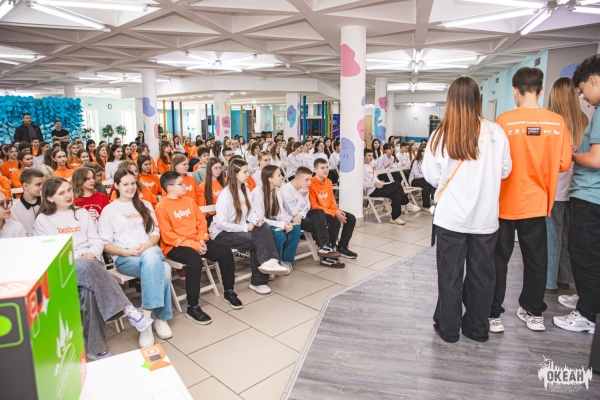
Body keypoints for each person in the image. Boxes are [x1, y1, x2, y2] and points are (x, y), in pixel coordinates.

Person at [422, 76, 512, 343]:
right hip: (485, 218)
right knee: (482, 276)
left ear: (451, 100)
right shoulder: (495, 131)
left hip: (451, 218)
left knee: (450, 275)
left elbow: (431, 176)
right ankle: (477, 329)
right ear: (477, 99)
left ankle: (449, 329)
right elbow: (505, 170)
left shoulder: (440, 135)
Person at [491, 67, 572, 333]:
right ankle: (533, 312)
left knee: (498, 260)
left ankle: (493, 314)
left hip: (504, 203)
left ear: (515, 90)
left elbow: (496, 162)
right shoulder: (557, 122)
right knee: (536, 261)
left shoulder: (504, 121)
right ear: (541, 89)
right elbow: (564, 163)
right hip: (537, 202)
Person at [34, 177, 152, 359]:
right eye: (61, 193)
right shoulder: (43, 220)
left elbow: (96, 242)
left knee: (88, 291)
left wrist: (91, 252)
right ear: (49, 198)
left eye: (69, 190)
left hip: (90, 263)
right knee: (85, 267)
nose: (68, 195)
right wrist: (77, 258)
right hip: (63, 267)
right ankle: (127, 310)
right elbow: (47, 252)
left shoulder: (81, 213)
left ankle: (96, 349)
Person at [99, 169, 172, 347]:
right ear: (116, 186)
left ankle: (145, 317)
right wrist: (127, 252)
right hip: (125, 258)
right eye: (125, 184)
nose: (130, 187)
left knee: (152, 258)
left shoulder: (145, 205)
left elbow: (155, 234)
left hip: (149, 251)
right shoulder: (109, 210)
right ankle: (159, 317)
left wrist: (146, 246)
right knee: (165, 269)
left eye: (133, 183)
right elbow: (105, 244)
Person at [553, 54, 600, 335]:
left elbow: (596, 159)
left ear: (593, 80)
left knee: (584, 256)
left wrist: (571, 155)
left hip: (590, 197)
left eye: (583, 91)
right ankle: (587, 300)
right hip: (589, 197)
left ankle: (586, 314)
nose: (584, 98)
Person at [156, 171, 243, 318]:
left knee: (225, 252)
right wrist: (194, 245)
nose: (184, 186)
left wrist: (201, 239)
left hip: (197, 241)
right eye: (180, 184)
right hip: (175, 246)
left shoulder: (189, 201)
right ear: (169, 187)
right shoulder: (161, 207)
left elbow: (201, 222)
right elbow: (168, 235)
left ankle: (229, 291)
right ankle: (193, 306)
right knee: (194, 260)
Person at [209, 159, 288, 295]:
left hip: (238, 228)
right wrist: (245, 228)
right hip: (221, 233)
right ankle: (259, 280)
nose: (248, 175)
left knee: (263, 226)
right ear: (235, 174)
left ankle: (270, 261)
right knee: (256, 241)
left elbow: (250, 212)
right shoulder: (225, 194)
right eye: (245, 172)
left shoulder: (244, 189)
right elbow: (221, 223)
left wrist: (256, 220)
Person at [544, 78, 588, 294]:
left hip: (554, 187)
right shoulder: (583, 120)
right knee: (567, 237)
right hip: (576, 187)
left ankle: (549, 281)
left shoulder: (551, 122)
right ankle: (563, 278)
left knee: (551, 236)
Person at [252, 165, 300, 273]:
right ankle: (274, 263)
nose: (282, 177)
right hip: (260, 225)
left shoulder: (277, 191)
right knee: (279, 234)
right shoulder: (258, 192)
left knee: (296, 228)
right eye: (279, 175)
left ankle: (286, 260)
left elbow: (279, 213)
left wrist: (286, 221)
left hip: (271, 221)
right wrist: (281, 225)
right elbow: (261, 219)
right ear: (270, 179)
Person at [309, 158, 357, 259]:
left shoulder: (329, 182)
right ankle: (329, 250)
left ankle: (342, 247)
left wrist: (337, 210)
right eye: (322, 168)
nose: (326, 170)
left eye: (327, 167)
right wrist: (334, 213)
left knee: (351, 218)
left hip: (329, 210)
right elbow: (314, 206)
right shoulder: (311, 183)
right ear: (315, 169)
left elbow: (331, 202)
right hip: (318, 213)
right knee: (335, 222)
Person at [364, 148, 411, 225]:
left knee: (396, 195)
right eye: (369, 155)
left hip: (378, 187)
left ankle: (394, 218)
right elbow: (362, 184)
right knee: (397, 185)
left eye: (372, 155)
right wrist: (374, 184)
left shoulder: (370, 166)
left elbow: (375, 178)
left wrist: (380, 183)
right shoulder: (361, 168)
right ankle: (406, 203)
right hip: (372, 191)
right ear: (363, 157)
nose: (371, 157)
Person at [9, 168, 44, 236]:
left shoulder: (48, 204)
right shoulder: (13, 209)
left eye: (43, 184)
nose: (42, 187)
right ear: (25, 186)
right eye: (38, 184)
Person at [198, 157, 225, 227]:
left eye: (220, 168)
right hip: (212, 218)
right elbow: (202, 208)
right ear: (210, 169)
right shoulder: (202, 186)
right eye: (216, 168)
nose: (218, 170)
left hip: (225, 215)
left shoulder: (223, 183)